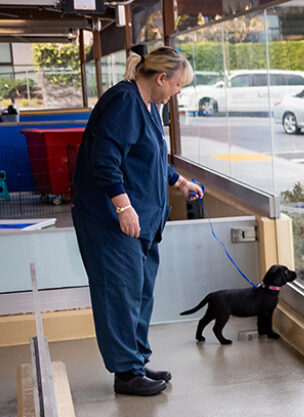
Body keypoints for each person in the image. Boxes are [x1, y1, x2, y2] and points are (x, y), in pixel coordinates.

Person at [71, 45, 203, 396]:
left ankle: (137, 361)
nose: (178, 92)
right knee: (119, 293)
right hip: (112, 222)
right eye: (177, 85)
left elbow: (152, 157)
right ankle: (126, 373)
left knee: (140, 292)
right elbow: (104, 160)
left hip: (144, 222)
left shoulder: (150, 106)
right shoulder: (125, 102)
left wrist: (180, 182)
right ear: (161, 78)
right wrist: (123, 207)